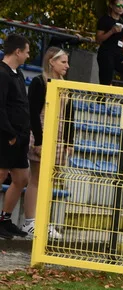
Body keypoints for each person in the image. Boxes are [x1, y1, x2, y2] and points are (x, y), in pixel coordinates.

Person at [24, 46, 70, 239]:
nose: (67, 66)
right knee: (36, 178)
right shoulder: (39, 82)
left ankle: (44, 220)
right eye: (63, 62)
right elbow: (33, 112)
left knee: (50, 179)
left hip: (58, 136)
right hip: (42, 133)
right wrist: (39, 140)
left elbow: (70, 114)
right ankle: (30, 222)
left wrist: (69, 141)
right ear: (51, 62)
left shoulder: (65, 84)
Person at [0, 35, 32, 239]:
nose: (28, 55)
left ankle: (5, 218)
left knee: (22, 178)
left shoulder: (18, 73)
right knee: (1, 174)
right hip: (6, 135)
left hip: (20, 136)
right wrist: (10, 133)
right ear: (18, 51)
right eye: (27, 51)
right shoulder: (2, 74)